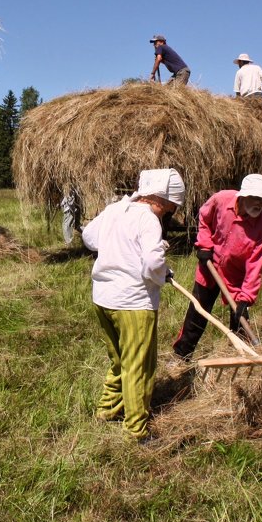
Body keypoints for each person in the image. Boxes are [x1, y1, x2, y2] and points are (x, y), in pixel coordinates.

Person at [82, 168, 184, 442]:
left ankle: (108, 410)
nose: (171, 211)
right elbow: (151, 264)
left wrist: (119, 247)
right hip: (133, 303)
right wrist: (161, 272)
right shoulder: (149, 219)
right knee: (139, 366)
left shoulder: (116, 209)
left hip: (103, 298)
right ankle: (136, 431)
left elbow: (89, 237)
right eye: (172, 205)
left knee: (119, 360)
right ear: (161, 199)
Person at [171, 174, 262, 361]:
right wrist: (204, 245)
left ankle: (243, 358)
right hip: (209, 267)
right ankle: (181, 356)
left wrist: (246, 297)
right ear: (243, 196)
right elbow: (204, 217)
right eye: (256, 198)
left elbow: (255, 265)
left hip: (236, 276)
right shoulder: (221, 199)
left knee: (240, 317)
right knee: (197, 313)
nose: (260, 203)